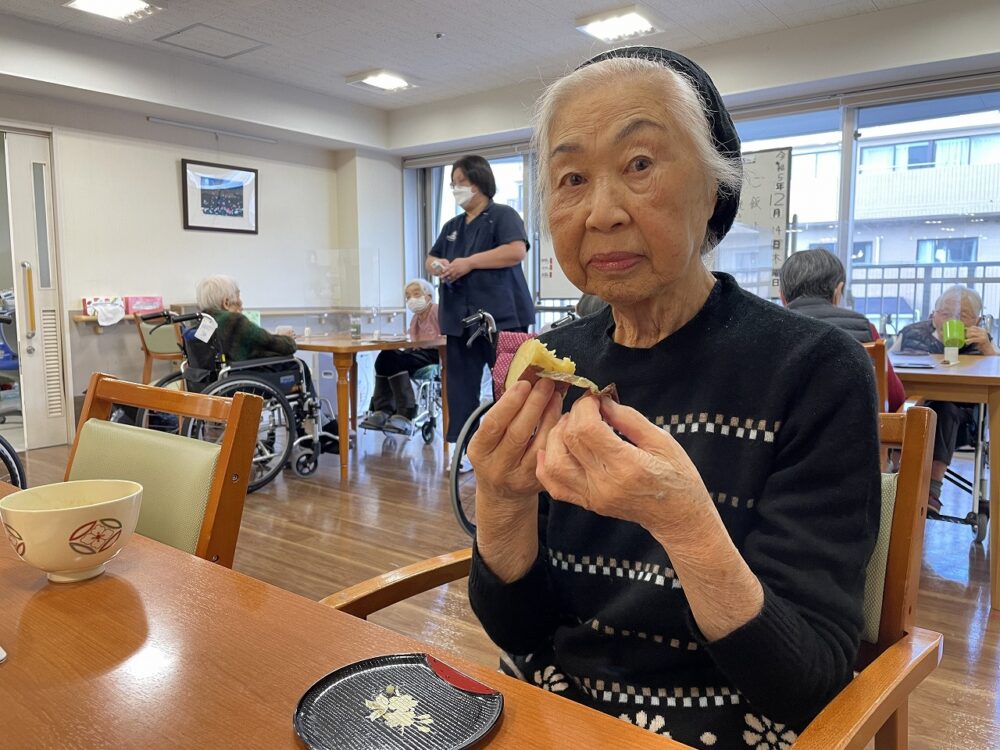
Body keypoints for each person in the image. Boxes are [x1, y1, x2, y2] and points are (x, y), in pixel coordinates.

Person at [465, 47, 880, 747]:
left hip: (734, 720)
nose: (601, 213)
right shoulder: (556, 367)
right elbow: (521, 632)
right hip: (558, 712)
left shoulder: (814, 370)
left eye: (640, 165)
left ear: (715, 188)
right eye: (571, 178)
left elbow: (808, 684)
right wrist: (502, 504)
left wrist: (686, 524)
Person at [427, 155, 534, 470]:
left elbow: (516, 250)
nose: (456, 189)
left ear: (480, 183)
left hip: (502, 317)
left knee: (510, 384)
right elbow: (431, 258)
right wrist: (438, 266)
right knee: (460, 387)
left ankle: (514, 448)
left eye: (462, 183)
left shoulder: (502, 215)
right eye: (452, 184)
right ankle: (465, 450)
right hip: (460, 320)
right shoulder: (452, 226)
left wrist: (470, 262)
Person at [891, 285, 998, 515]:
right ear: (933, 313)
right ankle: (897, 480)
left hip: (962, 421)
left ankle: (932, 490)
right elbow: (889, 370)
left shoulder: (982, 343)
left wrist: (988, 348)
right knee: (914, 409)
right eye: (945, 314)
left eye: (963, 316)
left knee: (945, 408)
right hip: (915, 411)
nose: (952, 319)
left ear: (977, 320)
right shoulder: (911, 333)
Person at [779, 248, 905, 412]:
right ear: (838, 291)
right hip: (851, 434)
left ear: (782, 296)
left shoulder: (768, 329)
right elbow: (894, 398)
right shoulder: (864, 328)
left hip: (783, 435)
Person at [361, 279, 441, 435]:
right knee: (385, 356)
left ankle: (405, 412)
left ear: (429, 296)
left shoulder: (436, 311)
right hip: (417, 353)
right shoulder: (415, 318)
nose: (412, 299)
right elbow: (411, 340)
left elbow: (446, 337)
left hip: (434, 355)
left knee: (396, 360)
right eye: (408, 296)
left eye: (416, 294)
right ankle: (382, 410)